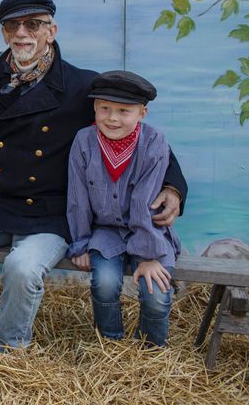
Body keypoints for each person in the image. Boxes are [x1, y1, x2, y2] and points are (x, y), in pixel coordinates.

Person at [0, 0, 188, 351]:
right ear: (4, 34)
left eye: (33, 24)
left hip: (49, 210)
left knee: (23, 269)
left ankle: (7, 347)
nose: (22, 33)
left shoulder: (82, 84)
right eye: (13, 25)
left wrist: (173, 185)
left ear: (52, 30)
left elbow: (137, 135)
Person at [67, 70, 180, 347]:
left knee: (155, 293)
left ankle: (151, 348)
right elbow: (78, 197)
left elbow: (145, 202)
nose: (113, 118)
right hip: (105, 233)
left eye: (124, 111)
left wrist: (149, 256)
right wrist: (81, 244)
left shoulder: (154, 143)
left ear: (142, 113)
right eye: (104, 108)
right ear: (94, 107)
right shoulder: (84, 141)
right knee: (104, 285)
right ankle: (110, 344)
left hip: (150, 233)